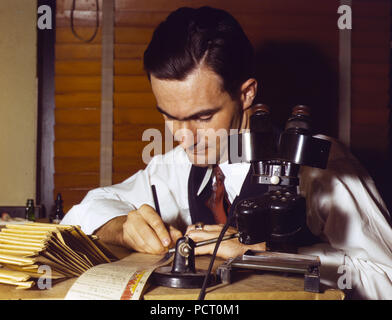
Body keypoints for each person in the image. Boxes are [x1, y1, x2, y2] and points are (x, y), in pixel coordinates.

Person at [61, 6, 392, 299]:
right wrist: (121, 226)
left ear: (246, 94)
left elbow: (386, 280)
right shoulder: (177, 165)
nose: (184, 137)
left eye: (202, 117)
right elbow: (84, 210)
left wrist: (268, 254)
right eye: (169, 116)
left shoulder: (321, 167)